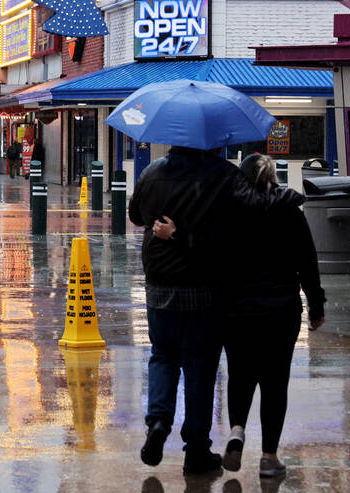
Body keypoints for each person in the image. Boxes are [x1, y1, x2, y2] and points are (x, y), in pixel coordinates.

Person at [128, 145, 303, 475]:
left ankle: (159, 420)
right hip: (203, 288)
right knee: (200, 367)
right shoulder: (221, 174)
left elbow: (135, 215)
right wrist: (292, 197)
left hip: (159, 286)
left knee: (163, 355)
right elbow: (257, 203)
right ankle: (196, 451)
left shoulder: (151, 173)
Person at [211, 154, 325, 478]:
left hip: (237, 310)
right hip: (280, 310)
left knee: (241, 373)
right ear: (273, 178)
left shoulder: (229, 212)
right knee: (275, 383)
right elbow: (308, 261)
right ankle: (269, 457)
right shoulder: (289, 210)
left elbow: (213, 258)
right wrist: (316, 307)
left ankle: (236, 429)